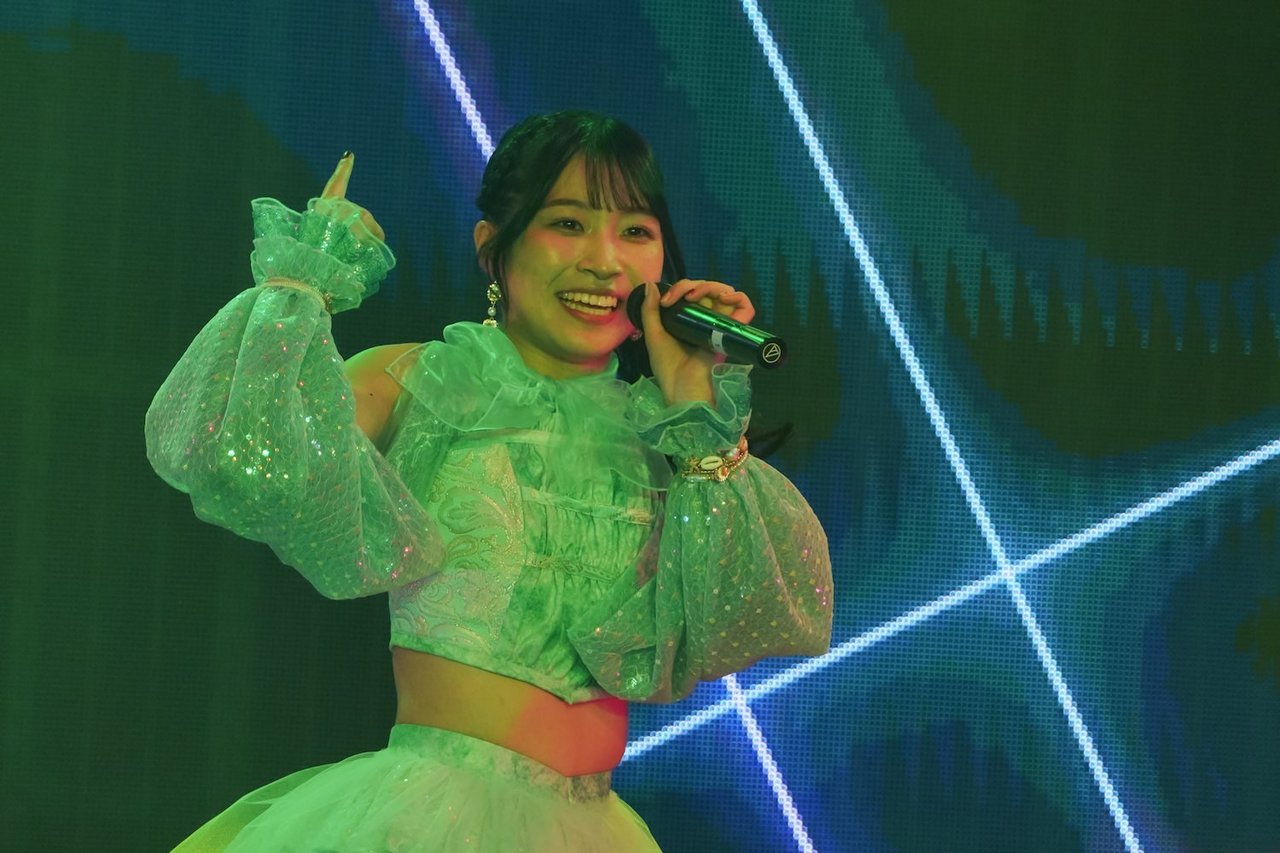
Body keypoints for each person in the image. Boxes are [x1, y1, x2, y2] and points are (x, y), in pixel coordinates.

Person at [147, 110, 833, 852]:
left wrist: (696, 405)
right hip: (433, 817)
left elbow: (738, 619)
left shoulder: (666, 437)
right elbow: (239, 454)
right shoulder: (418, 382)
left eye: (635, 231)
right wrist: (299, 288)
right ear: (492, 247)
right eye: (568, 224)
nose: (604, 261)